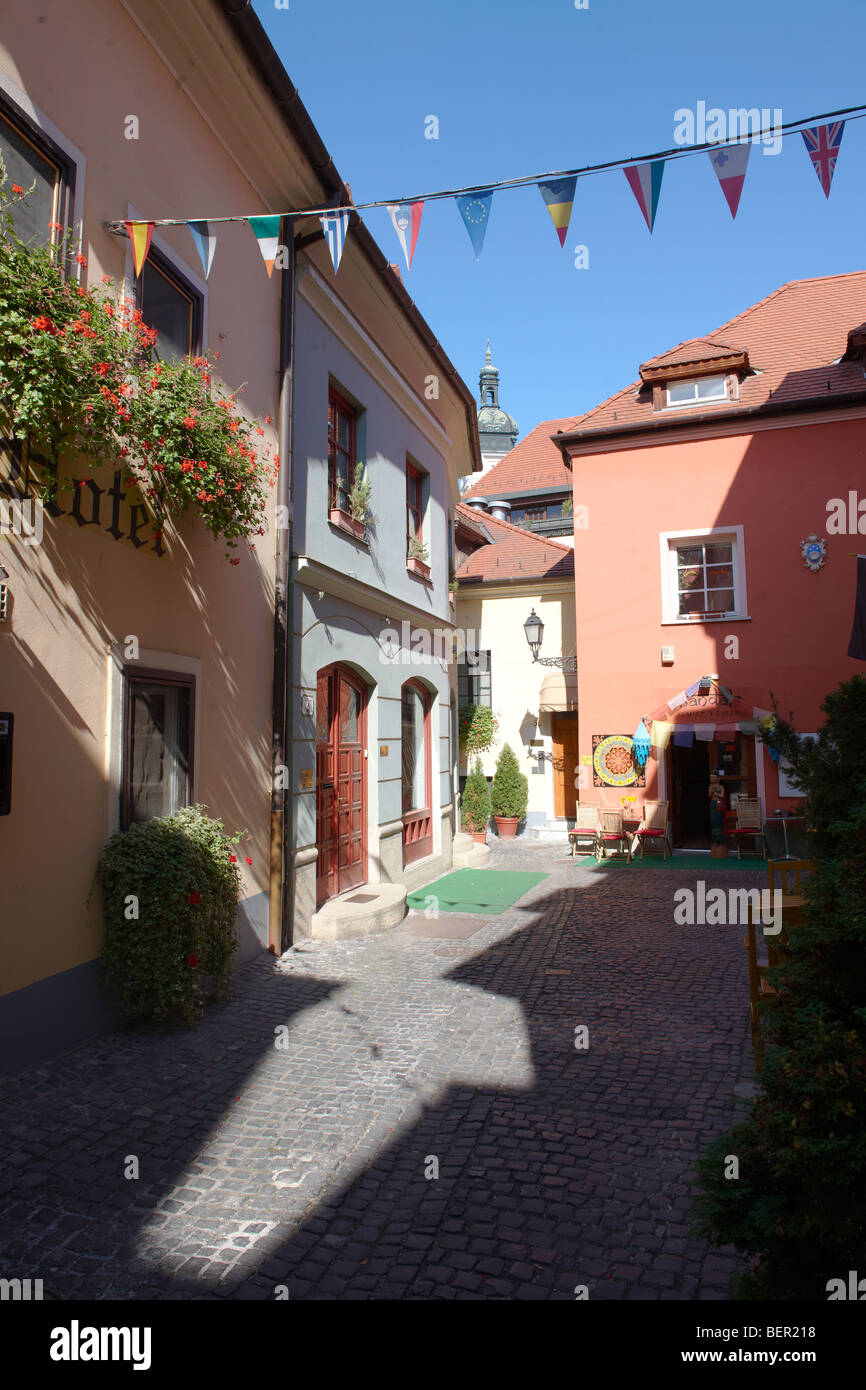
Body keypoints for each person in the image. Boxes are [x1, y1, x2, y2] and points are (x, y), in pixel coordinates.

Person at [708, 770, 726, 843]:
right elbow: (709, 796)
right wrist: (710, 791)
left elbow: (722, 796)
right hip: (713, 803)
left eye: (714, 777)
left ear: (718, 778)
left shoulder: (721, 787)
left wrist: (715, 793)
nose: (712, 779)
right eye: (711, 777)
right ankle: (715, 839)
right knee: (713, 820)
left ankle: (720, 839)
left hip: (719, 804)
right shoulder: (710, 786)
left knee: (719, 820)